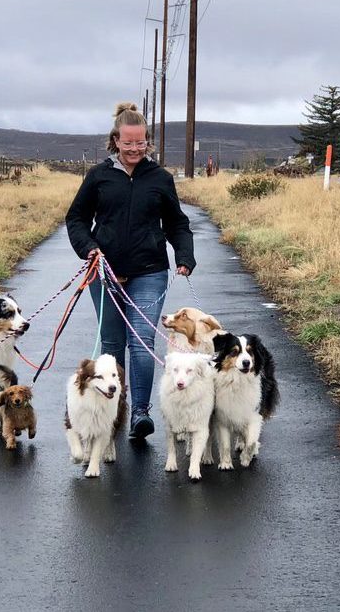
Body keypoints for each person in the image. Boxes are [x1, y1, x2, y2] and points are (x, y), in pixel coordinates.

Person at [65, 102, 195, 440]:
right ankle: (114, 411)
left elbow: (177, 223)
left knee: (141, 341)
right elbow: (76, 219)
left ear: (148, 142)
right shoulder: (98, 176)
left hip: (149, 271)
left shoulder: (160, 179)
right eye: (128, 143)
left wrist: (185, 254)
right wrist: (89, 248)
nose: (135, 149)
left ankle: (140, 412)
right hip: (104, 270)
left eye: (141, 143)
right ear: (115, 140)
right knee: (112, 343)